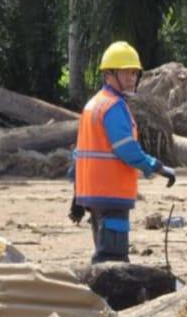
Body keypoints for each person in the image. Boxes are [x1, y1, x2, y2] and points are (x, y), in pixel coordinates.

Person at [68, 41, 176, 264]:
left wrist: (77, 194)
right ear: (109, 74)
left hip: (93, 194)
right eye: (127, 73)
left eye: (135, 73)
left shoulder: (93, 105)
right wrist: (156, 166)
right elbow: (127, 150)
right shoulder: (114, 106)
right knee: (112, 259)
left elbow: (79, 155)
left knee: (103, 254)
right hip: (111, 193)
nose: (132, 78)